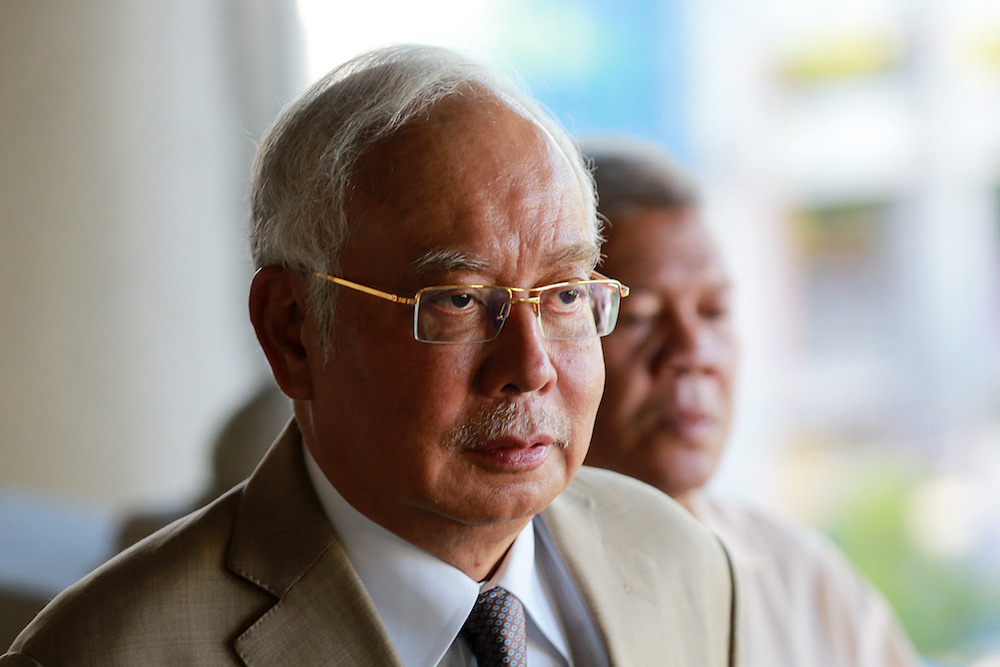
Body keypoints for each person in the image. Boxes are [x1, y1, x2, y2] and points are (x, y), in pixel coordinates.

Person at [3, 47, 738, 665]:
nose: (531, 366)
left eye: (566, 295)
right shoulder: (107, 652)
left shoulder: (679, 559)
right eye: (457, 299)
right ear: (292, 330)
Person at [583, 138, 919, 667]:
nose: (693, 352)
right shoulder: (507, 602)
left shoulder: (807, 586)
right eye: (641, 317)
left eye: (714, 311)